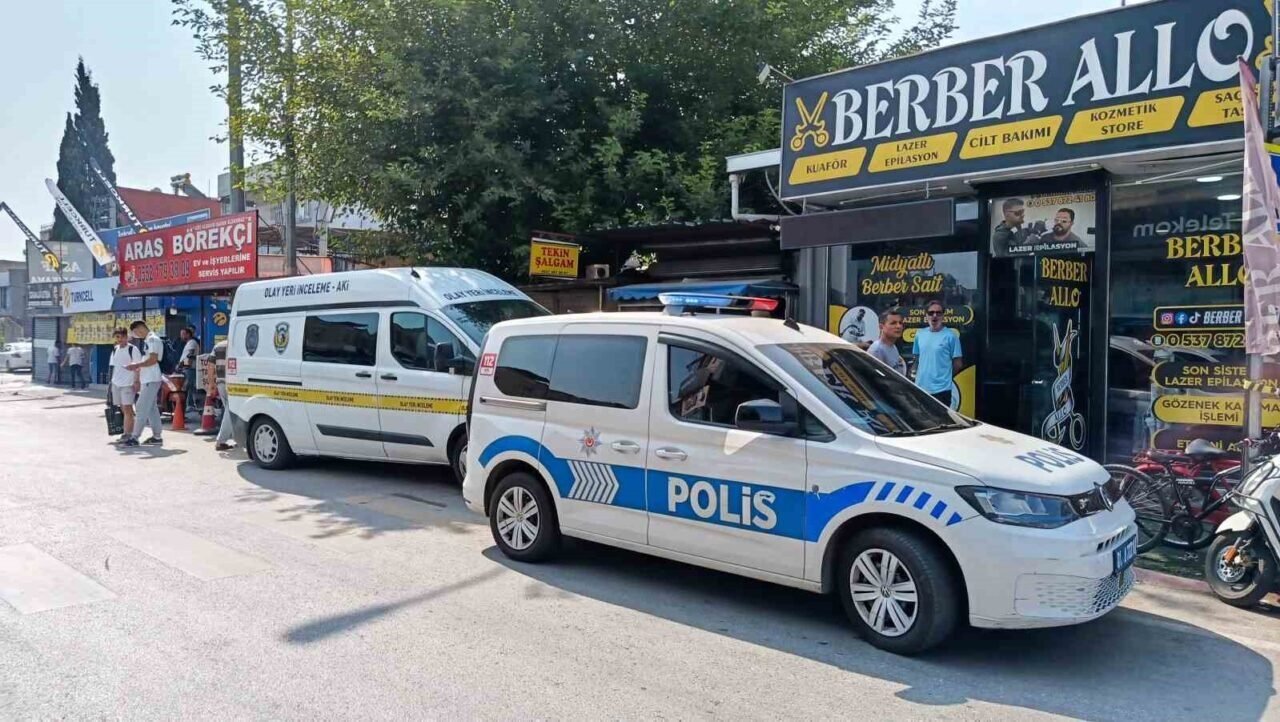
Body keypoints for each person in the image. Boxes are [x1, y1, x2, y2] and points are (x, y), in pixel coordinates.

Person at [912, 299, 963, 407]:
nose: (934, 316)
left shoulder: (951, 336)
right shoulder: (919, 334)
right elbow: (916, 358)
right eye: (931, 313)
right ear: (926, 316)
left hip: (942, 390)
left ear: (943, 316)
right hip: (921, 388)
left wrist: (944, 378)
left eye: (938, 313)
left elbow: (958, 364)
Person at [123, 320, 165, 447]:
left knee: (141, 407)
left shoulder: (152, 339)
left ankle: (135, 437)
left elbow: (153, 359)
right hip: (149, 378)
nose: (136, 335)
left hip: (151, 378)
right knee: (151, 408)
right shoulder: (149, 339)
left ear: (139, 328)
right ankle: (157, 436)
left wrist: (136, 365)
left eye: (135, 332)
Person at [108, 328, 141, 444]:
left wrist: (136, 381)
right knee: (122, 408)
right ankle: (129, 430)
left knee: (127, 408)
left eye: (122, 337)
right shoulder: (115, 350)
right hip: (116, 383)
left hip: (128, 383)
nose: (120, 339)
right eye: (117, 337)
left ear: (127, 337)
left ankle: (128, 434)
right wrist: (111, 383)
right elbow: (113, 367)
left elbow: (138, 367)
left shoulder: (133, 349)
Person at [211, 339, 236, 451]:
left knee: (230, 411)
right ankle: (220, 441)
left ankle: (236, 437)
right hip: (234, 382)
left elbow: (210, 366)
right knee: (230, 411)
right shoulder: (236, 345)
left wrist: (211, 384)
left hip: (220, 382)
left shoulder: (218, 346)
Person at [867, 308, 907, 376]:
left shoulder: (893, 346)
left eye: (900, 323)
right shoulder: (877, 350)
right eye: (893, 323)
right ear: (881, 327)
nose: (898, 326)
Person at [179, 326, 201, 412]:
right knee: (189, 387)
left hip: (189, 368)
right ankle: (190, 404)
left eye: (183, 334)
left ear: (188, 334)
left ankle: (190, 404)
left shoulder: (192, 343)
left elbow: (190, 356)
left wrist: (181, 365)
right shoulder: (189, 343)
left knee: (188, 387)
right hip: (187, 368)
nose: (181, 336)